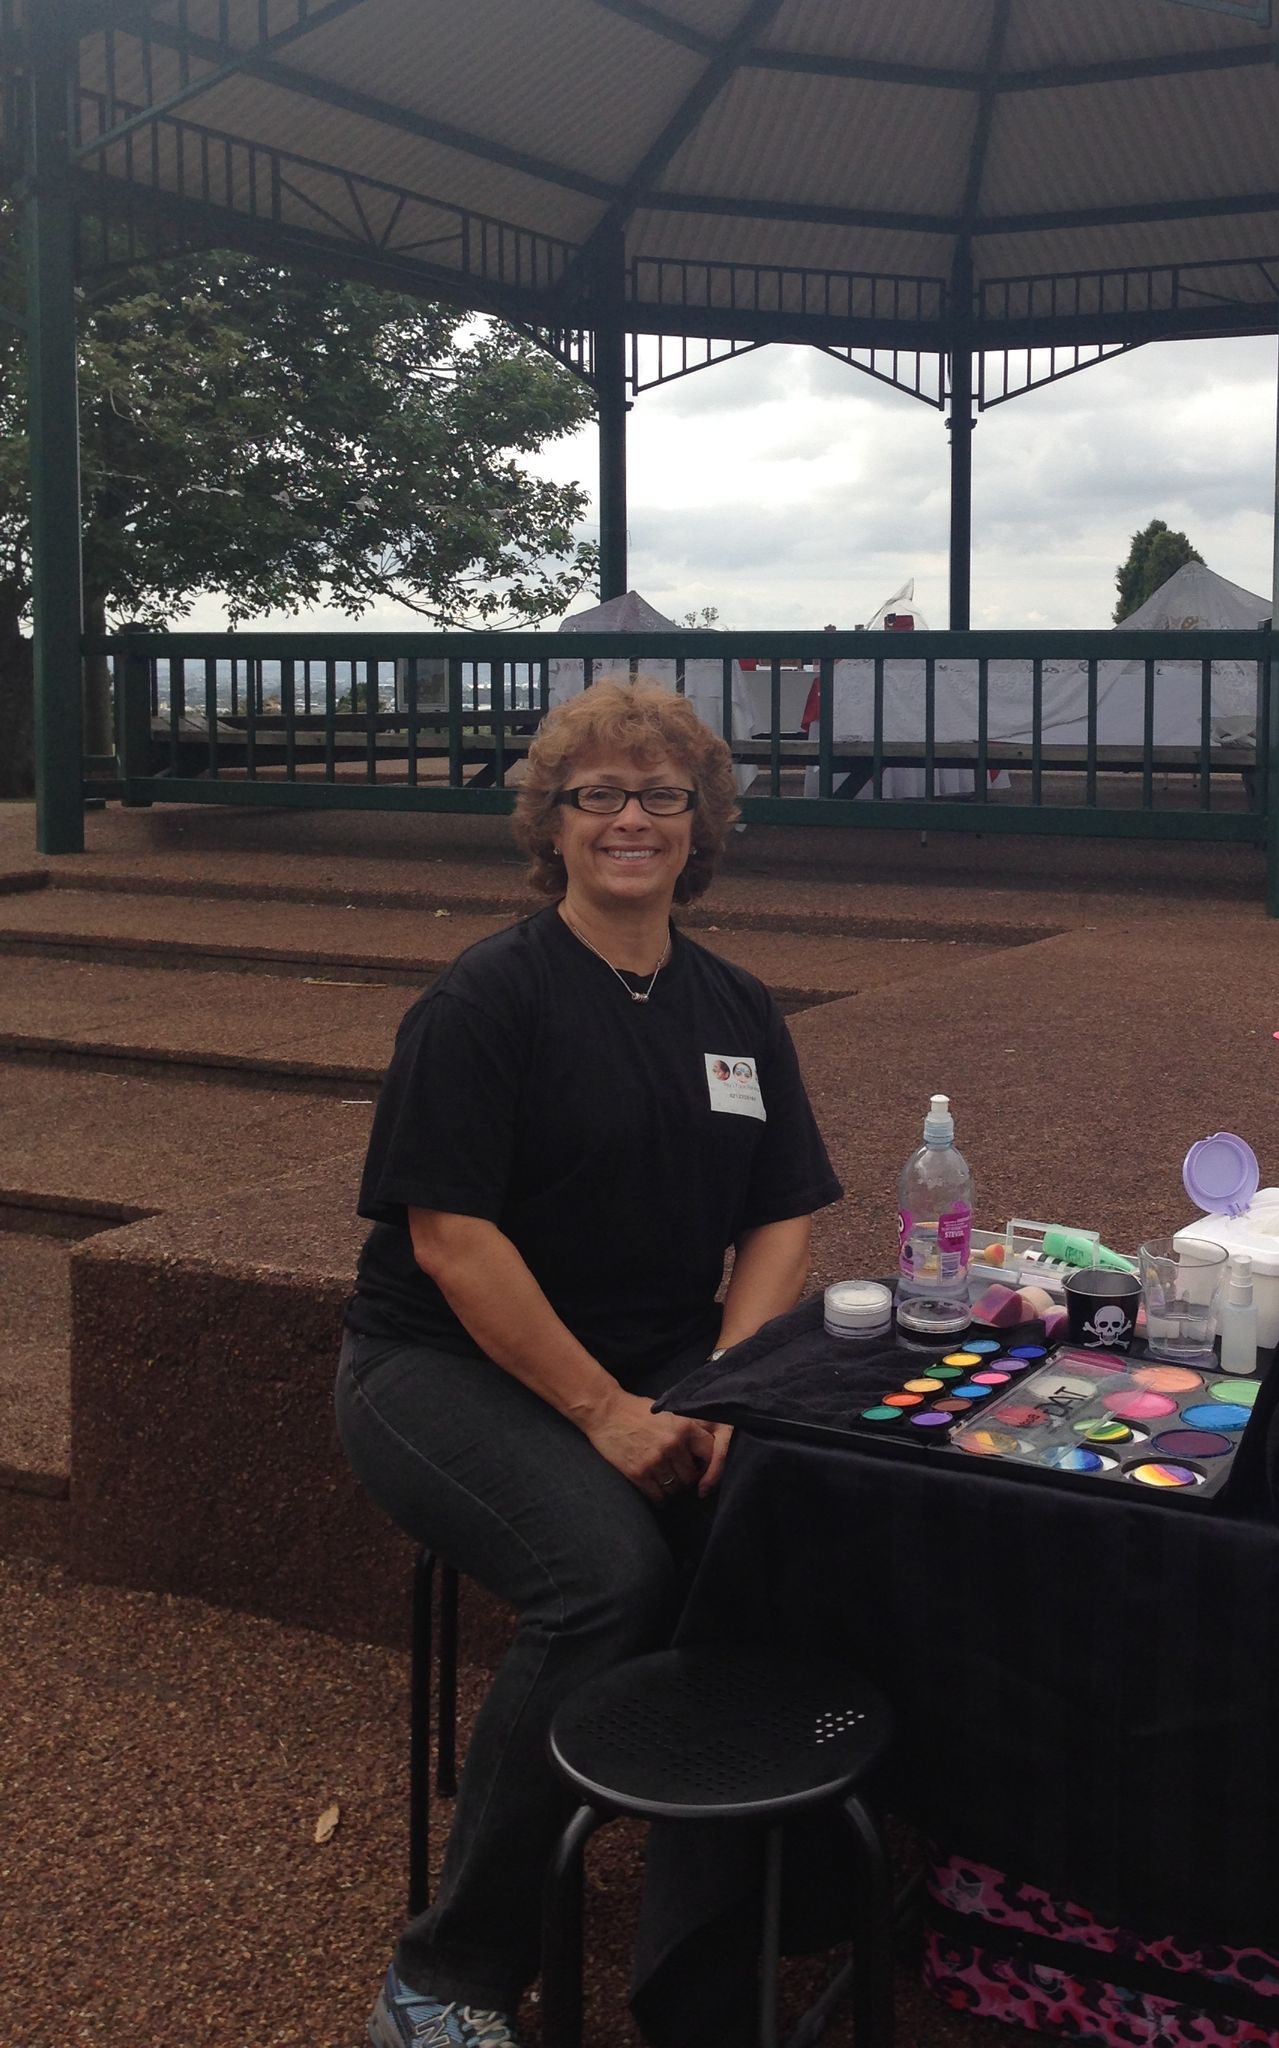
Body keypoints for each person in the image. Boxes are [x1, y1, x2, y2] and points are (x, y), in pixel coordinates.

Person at [336, 677, 841, 2048]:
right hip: (443, 1367)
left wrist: (726, 1387)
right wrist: (612, 1415)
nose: (631, 818)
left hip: (662, 1359)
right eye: (597, 796)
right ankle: (449, 1976)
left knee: (791, 1518)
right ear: (550, 825)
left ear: (701, 824)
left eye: (661, 795)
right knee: (604, 1579)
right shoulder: (486, 1003)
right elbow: (452, 1245)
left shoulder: (734, 1005)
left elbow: (781, 1212)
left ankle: (747, 1903)